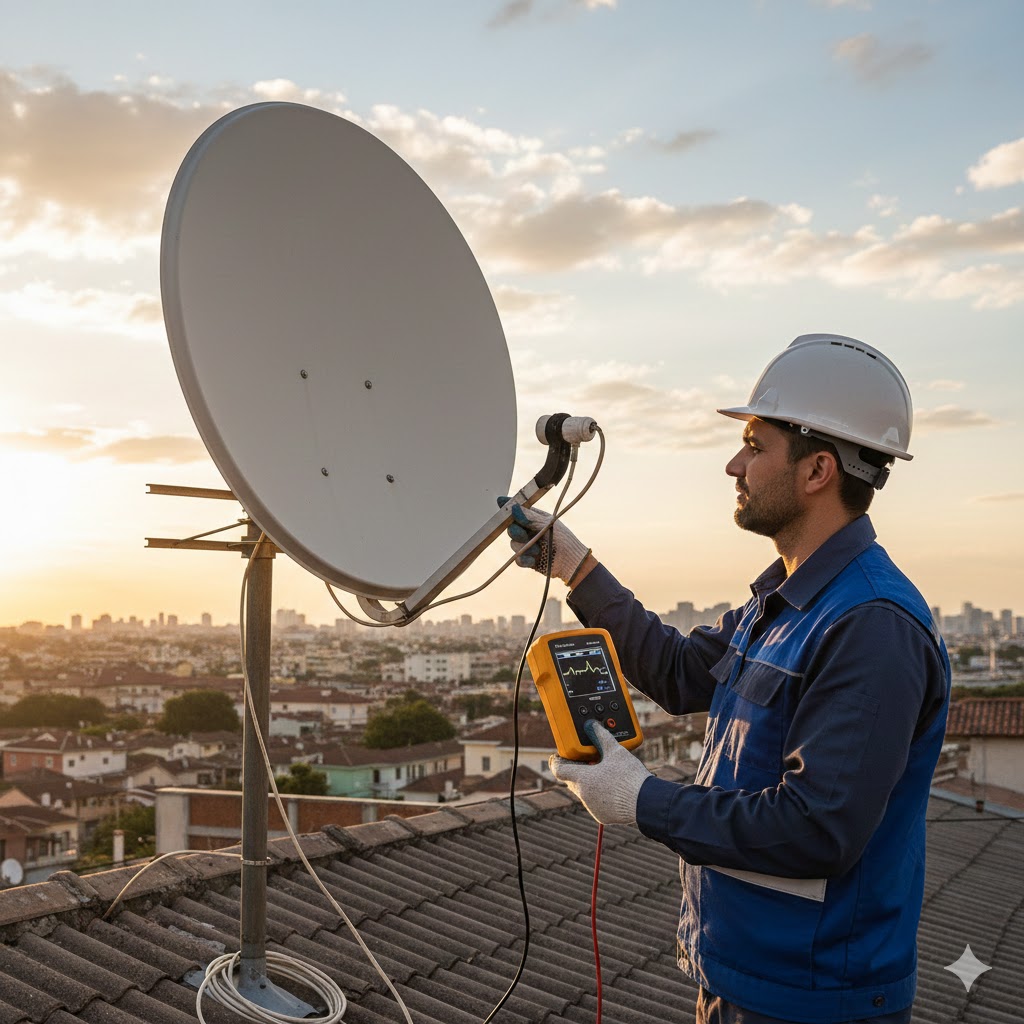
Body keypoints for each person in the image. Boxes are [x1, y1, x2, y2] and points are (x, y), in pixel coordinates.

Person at [504, 334, 951, 1024]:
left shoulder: (870, 625)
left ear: (817, 471)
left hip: (811, 1000)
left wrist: (642, 798)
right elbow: (681, 673)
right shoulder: (789, 600)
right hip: (742, 976)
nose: (732, 463)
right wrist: (576, 566)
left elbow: (816, 828)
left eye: (754, 444)